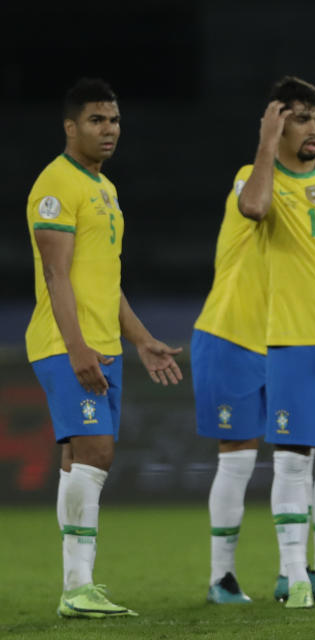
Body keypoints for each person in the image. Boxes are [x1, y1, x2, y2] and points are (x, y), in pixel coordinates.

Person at [27, 78, 183, 618]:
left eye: (114, 119)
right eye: (96, 120)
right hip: (66, 343)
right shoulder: (56, 185)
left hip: (101, 343)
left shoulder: (105, 189)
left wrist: (140, 339)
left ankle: (78, 585)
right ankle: (76, 586)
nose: (109, 129)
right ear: (71, 127)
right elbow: (56, 274)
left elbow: (104, 280)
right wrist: (76, 348)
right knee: (96, 453)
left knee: (79, 459)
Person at [233, 76, 315, 609]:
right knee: (294, 459)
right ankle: (290, 570)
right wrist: (265, 144)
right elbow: (253, 208)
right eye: (301, 118)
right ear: (277, 121)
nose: (314, 129)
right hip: (293, 341)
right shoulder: (256, 177)